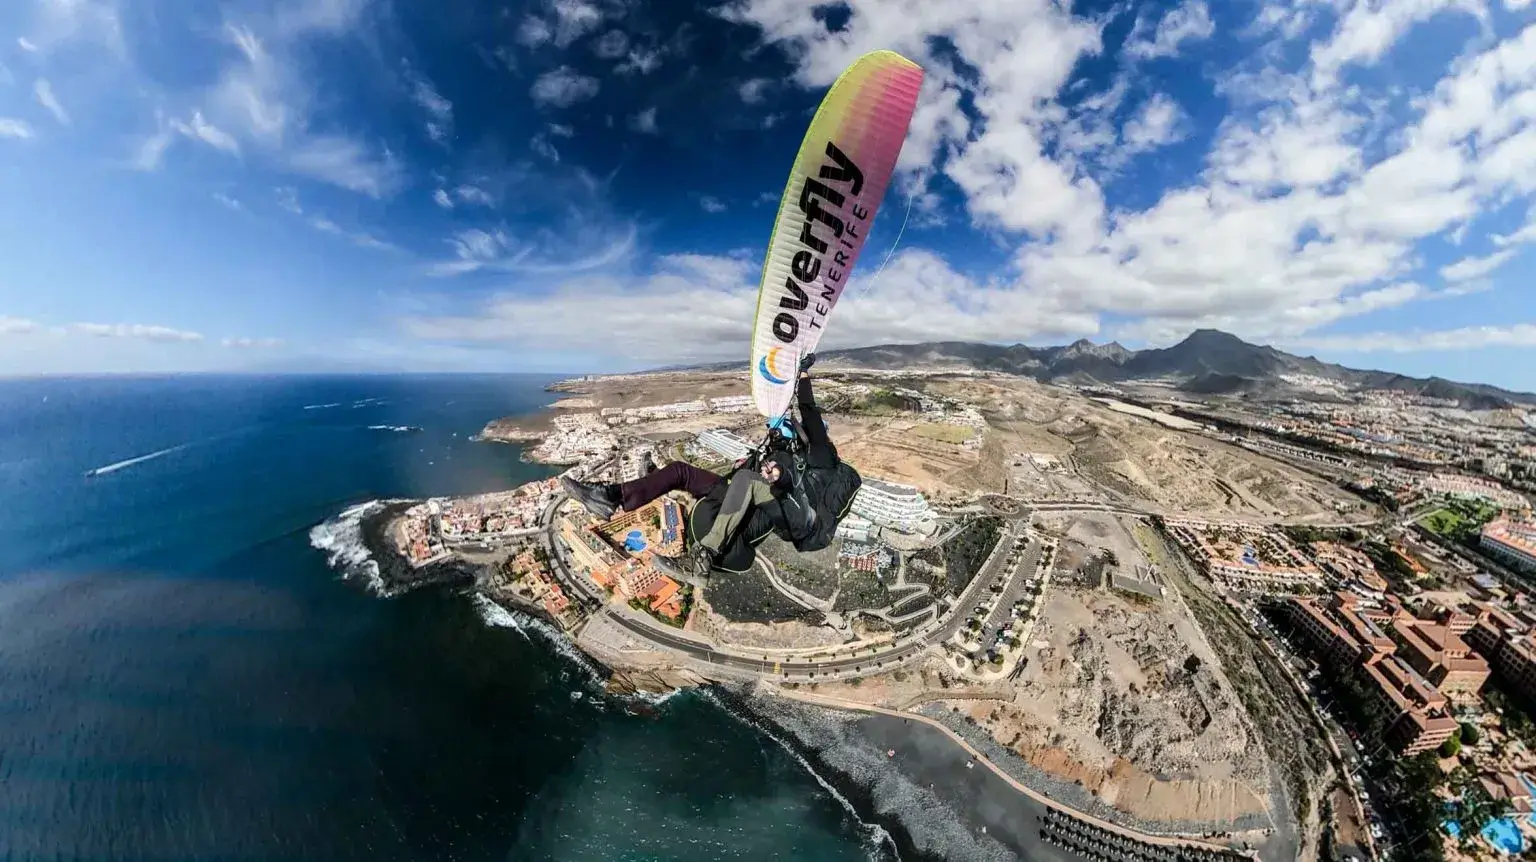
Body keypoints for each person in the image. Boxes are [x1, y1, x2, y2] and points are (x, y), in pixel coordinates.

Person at [562, 353, 856, 582]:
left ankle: (699, 561)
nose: (777, 435)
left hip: (784, 523)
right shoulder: (782, 456)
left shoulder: (819, 455)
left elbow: (808, 407)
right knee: (681, 471)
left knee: (749, 481)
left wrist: (803, 373)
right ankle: (612, 496)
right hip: (765, 502)